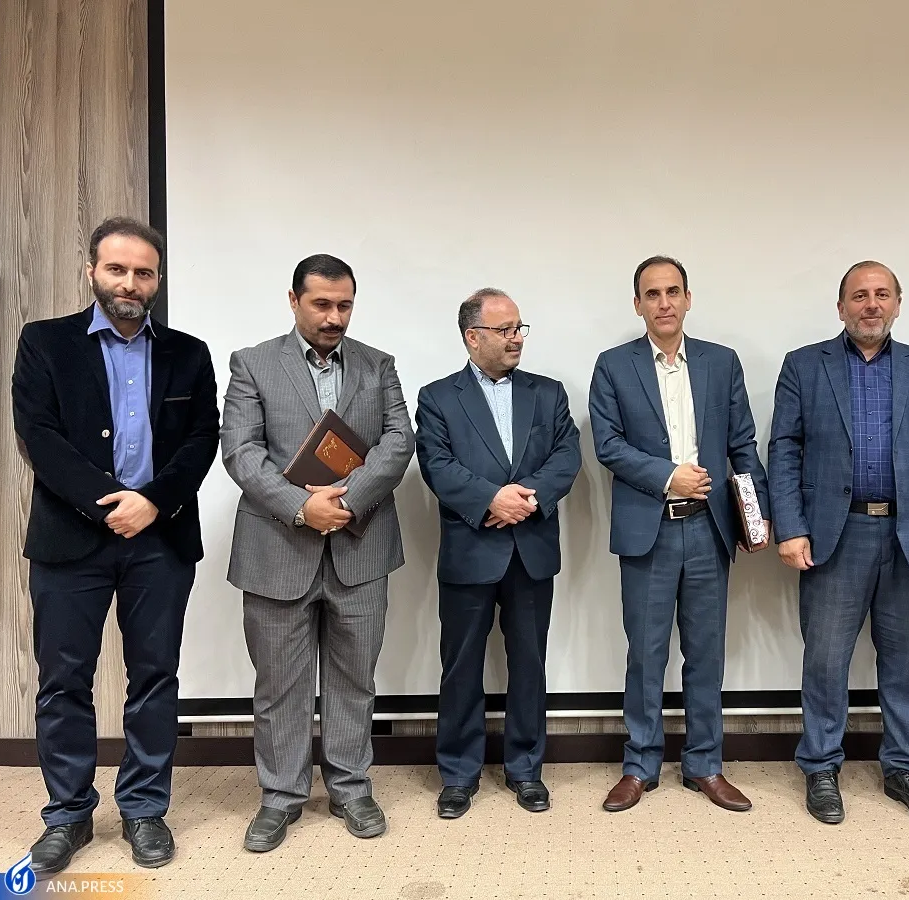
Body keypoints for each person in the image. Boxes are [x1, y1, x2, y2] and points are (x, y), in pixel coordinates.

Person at [11, 216, 219, 875]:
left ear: (157, 280)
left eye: (143, 272)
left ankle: (144, 809)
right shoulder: (44, 342)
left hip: (160, 541)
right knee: (63, 680)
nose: (130, 282)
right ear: (92, 271)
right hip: (70, 540)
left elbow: (202, 440)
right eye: (117, 269)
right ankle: (67, 815)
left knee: (154, 677)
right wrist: (109, 503)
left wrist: (152, 501)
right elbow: (38, 435)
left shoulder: (189, 353)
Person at [220, 254, 414, 851]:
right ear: (294, 300)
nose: (334, 317)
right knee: (280, 684)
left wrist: (346, 500)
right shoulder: (252, 363)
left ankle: (352, 788)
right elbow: (241, 451)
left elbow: (398, 440)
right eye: (322, 304)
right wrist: (303, 507)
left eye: (344, 305)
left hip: (361, 547)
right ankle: (281, 797)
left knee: (355, 678)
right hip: (277, 548)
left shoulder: (378, 365)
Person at [768, 260, 909, 828]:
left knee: (908, 663)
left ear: (898, 304)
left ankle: (904, 767)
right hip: (836, 535)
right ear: (841, 307)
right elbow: (783, 450)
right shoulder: (804, 365)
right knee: (825, 660)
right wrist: (791, 526)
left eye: (882, 294)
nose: (871, 305)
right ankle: (821, 766)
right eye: (859, 296)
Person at [589, 256, 770, 813]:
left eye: (672, 291)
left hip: (709, 530)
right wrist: (670, 476)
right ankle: (640, 765)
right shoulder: (613, 366)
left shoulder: (721, 362)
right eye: (652, 294)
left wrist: (756, 515)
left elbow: (742, 444)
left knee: (706, 654)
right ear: (637, 305)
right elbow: (608, 445)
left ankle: (705, 765)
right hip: (650, 531)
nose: (663, 303)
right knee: (645, 655)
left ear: (688, 298)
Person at [415, 289, 581, 819]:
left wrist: (523, 500)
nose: (516, 338)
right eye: (505, 329)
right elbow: (436, 464)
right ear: (473, 337)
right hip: (470, 549)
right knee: (460, 665)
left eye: (519, 328)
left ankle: (526, 769)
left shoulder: (548, 393)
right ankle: (458, 774)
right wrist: (491, 499)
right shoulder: (437, 397)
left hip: (531, 548)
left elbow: (567, 456)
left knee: (529, 662)